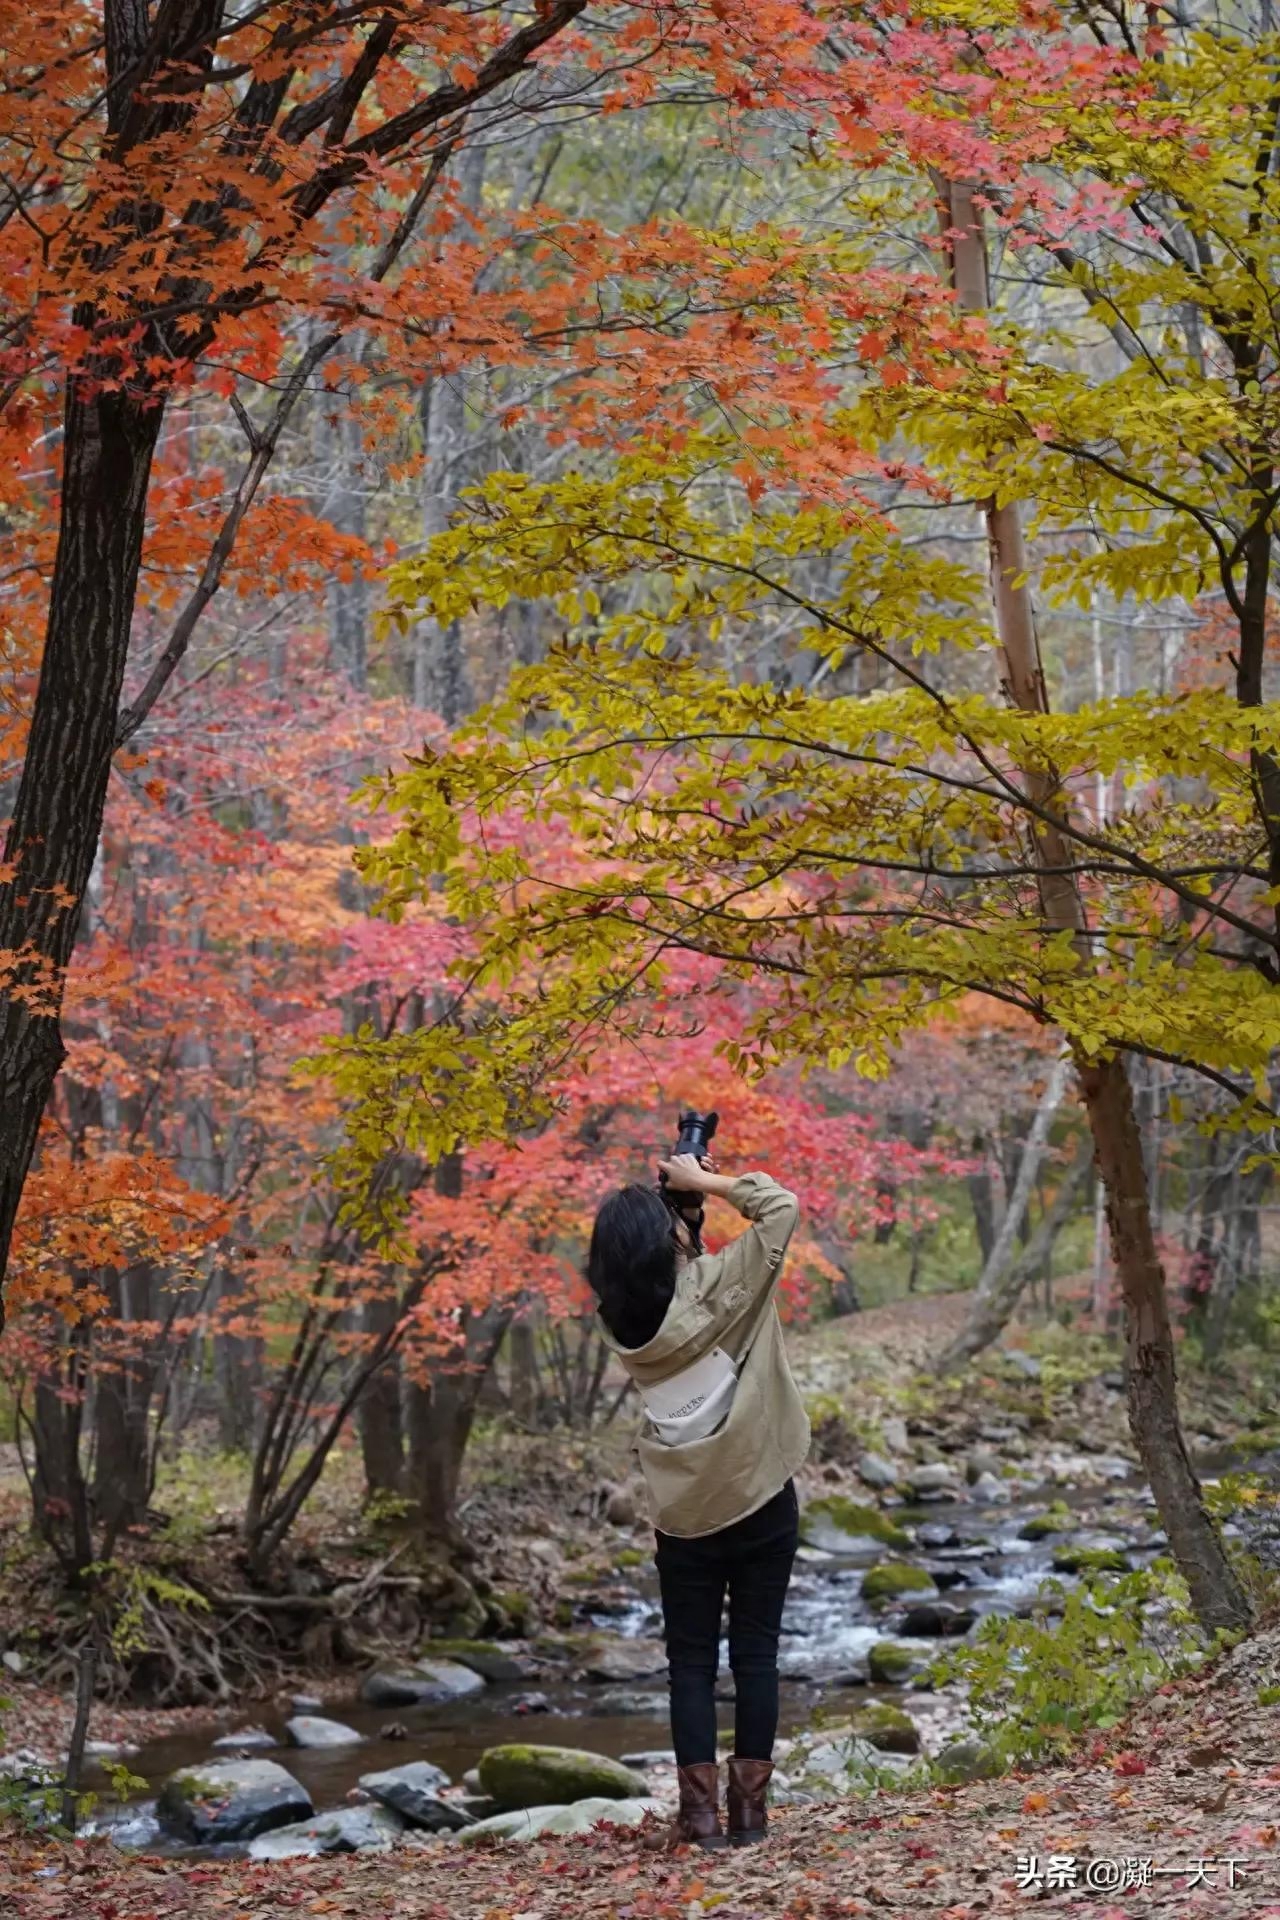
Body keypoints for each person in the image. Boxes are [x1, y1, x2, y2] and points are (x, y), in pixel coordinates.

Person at [586, 1152, 809, 1849]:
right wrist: (703, 1182)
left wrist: (681, 1223)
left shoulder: (620, 1323)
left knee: (690, 1665)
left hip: (683, 1516)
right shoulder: (725, 1286)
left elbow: (681, 1296)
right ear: (671, 1245)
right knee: (755, 1656)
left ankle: (700, 1818)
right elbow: (781, 1207)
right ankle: (750, 1816)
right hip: (759, 1494)